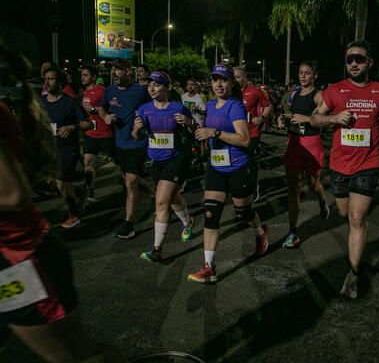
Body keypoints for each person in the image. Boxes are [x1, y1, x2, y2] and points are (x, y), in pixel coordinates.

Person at [0, 46, 126, 363]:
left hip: (20, 263)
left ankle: (75, 210)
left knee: (76, 359)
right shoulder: (34, 105)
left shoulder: (69, 102)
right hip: (15, 257)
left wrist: (75, 128)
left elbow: (13, 194)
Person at [311, 40, 379, 299]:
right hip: (339, 164)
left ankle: (353, 273)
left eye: (359, 59)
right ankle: (353, 244)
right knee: (345, 213)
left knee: (357, 220)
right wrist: (334, 118)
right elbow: (315, 118)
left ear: (370, 63)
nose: (354, 63)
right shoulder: (335, 90)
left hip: (368, 164)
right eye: (350, 59)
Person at [187, 64, 269, 284]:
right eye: (215, 80)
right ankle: (208, 267)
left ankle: (260, 232)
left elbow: (244, 139)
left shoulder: (236, 106)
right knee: (211, 215)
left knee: (243, 213)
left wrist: (215, 132)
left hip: (238, 168)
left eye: (223, 80)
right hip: (216, 167)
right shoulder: (212, 105)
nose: (219, 84)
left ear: (232, 83)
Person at [132, 72, 196, 262]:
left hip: (176, 158)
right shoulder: (144, 109)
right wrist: (136, 128)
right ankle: (188, 222)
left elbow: (194, 129)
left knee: (161, 202)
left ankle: (157, 248)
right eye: (150, 84)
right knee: (174, 197)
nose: (152, 88)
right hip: (155, 161)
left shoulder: (178, 107)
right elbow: (137, 136)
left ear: (167, 88)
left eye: (157, 85)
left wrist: (188, 122)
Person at [97, 58, 151, 239]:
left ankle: (128, 224)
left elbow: (153, 108)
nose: (114, 72)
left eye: (118, 69)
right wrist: (105, 117)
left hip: (137, 142)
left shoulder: (141, 91)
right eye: (113, 69)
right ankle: (155, 193)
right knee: (127, 177)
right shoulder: (109, 91)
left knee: (130, 183)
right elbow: (101, 108)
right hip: (119, 143)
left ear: (128, 71)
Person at [280, 61, 329, 248]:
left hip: (312, 143)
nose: (303, 76)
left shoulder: (318, 96)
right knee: (293, 188)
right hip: (294, 142)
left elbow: (328, 120)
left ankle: (322, 198)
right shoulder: (293, 94)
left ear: (314, 76)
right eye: (300, 73)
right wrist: (282, 117)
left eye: (307, 73)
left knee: (312, 183)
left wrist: (307, 119)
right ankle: (293, 231)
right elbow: (287, 110)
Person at [40, 67, 92, 228]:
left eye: (51, 79)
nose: (47, 82)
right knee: (55, 184)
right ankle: (77, 196)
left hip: (66, 149)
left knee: (62, 183)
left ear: (60, 82)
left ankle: (74, 214)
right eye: (45, 79)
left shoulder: (70, 102)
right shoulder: (41, 102)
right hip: (49, 150)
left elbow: (88, 123)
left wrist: (72, 127)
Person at [234, 66, 272, 202]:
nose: (236, 80)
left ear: (245, 78)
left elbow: (268, 106)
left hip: (252, 133)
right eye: (234, 78)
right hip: (235, 134)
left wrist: (262, 118)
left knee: (249, 161)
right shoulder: (229, 94)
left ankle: (253, 185)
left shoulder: (254, 92)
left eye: (238, 77)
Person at [80, 65, 114, 202]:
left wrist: (94, 108)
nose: (82, 77)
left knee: (118, 163)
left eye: (85, 75)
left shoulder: (102, 91)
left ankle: (129, 183)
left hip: (105, 133)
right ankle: (90, 190)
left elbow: (110, 108)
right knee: (87, 163)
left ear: (93, 77)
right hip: (90, 134)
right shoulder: (84, 93)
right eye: (82, 75)